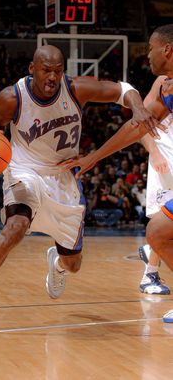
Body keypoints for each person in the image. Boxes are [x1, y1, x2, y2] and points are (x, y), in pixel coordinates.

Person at [0, 44, 162, 336]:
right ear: (32, 69)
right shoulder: (13, 97)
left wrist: (136, 106)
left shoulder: (76, 89)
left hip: (63, 177)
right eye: (46, 70)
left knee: (74, 265)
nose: (52, 77)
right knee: (16, 226)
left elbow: (124, 89)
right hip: (24, 170)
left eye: (58, 71)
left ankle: (58, 262)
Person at [60, 24, 173, 322]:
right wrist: (93, 158)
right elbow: (137, 126)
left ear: (167, 50)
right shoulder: (165, 86)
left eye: (150, 47)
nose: (146, 54)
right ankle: (151, 275)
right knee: (158, 232)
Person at [138, 76, 171, 295]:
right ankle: (149, 274)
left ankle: (151, 254)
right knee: (162, 221)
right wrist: (155, 152)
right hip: (165, 159)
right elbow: (140, 123)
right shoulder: (162, 81)